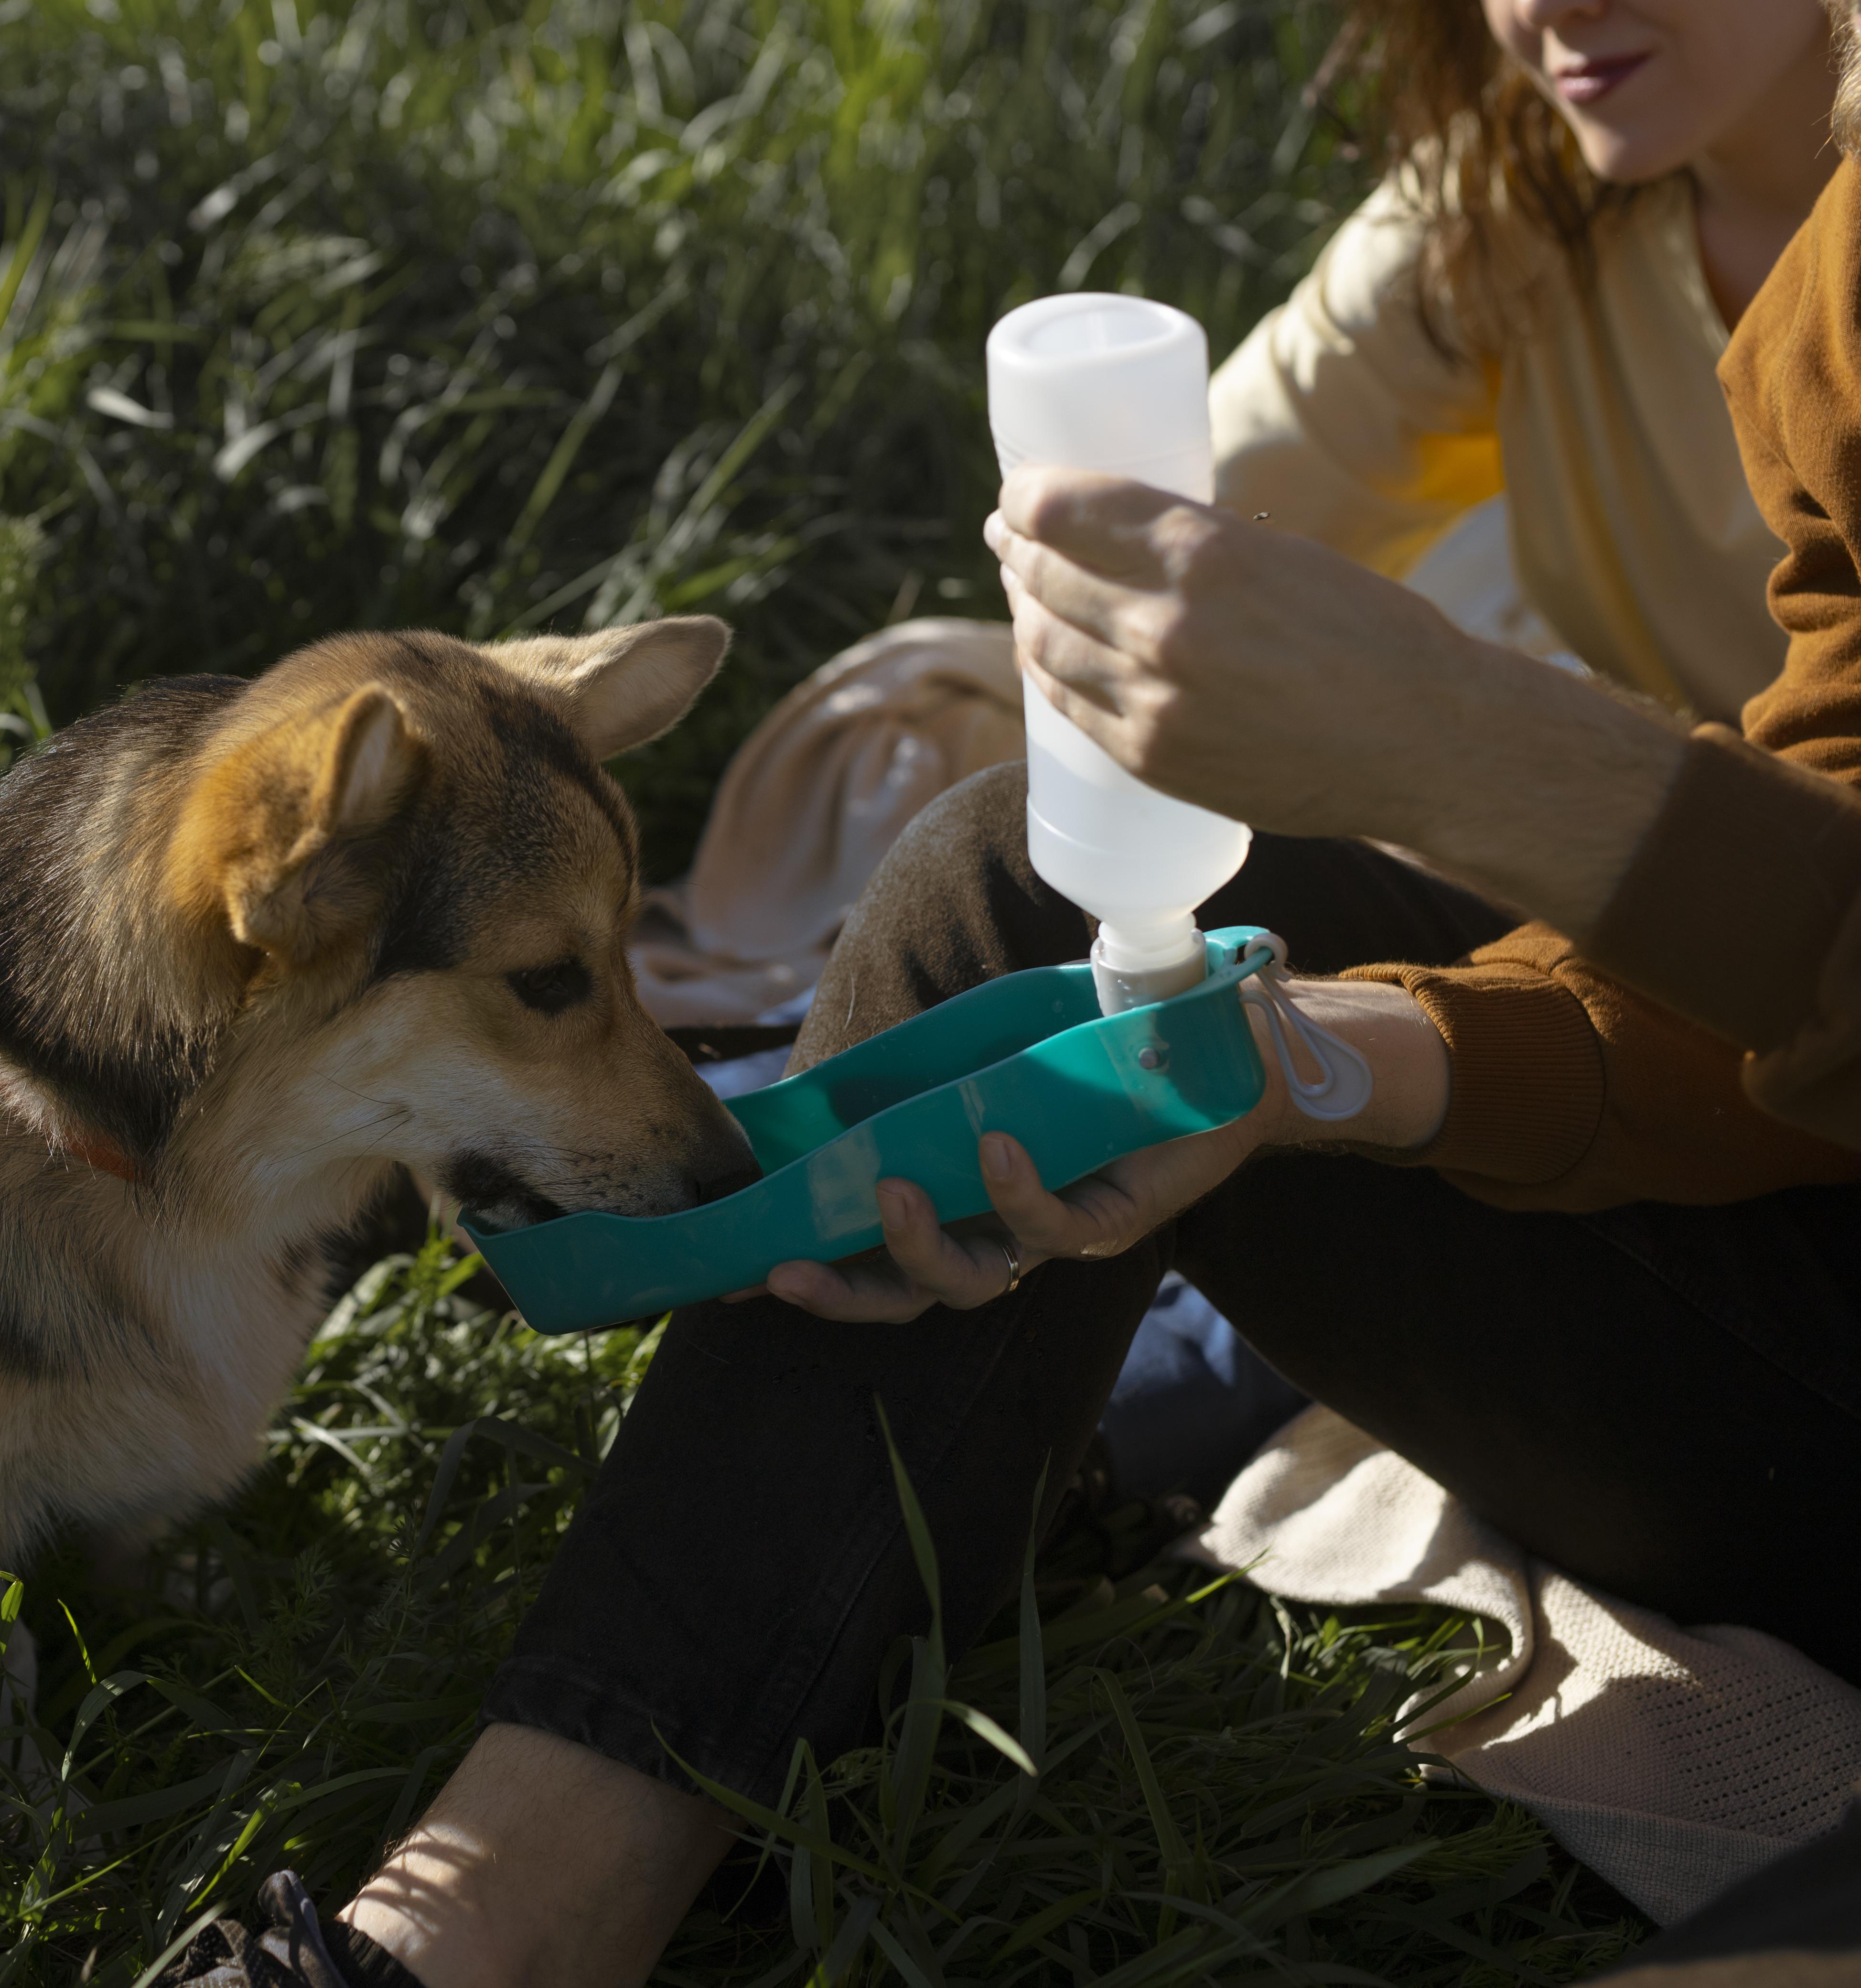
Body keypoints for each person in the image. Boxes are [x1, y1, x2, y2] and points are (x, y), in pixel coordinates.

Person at [161, 3, 1861, 1984]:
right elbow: (1791, 988)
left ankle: (1013, 1473)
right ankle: (480, 1929)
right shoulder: (1725, 271)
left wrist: (1475, 749)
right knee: (1026, 885)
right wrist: (1313, 1059)